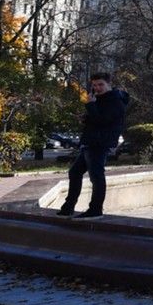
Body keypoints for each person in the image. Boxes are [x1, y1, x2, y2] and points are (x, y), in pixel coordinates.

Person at [59, 72, 128, 218]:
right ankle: (68, 207)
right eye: (95, 85)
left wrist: (90, 105)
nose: (97, 88)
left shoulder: (116, 101)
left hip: (100, 143)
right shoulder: (100, 99)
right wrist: (86, 117)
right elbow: (97, 118)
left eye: (101, 84)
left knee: (96, 176)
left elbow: (103, 121)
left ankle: (95, 209)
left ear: (109, 84)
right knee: (75, 172)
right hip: (90, 141)